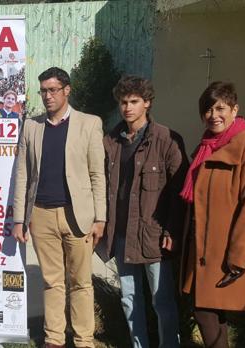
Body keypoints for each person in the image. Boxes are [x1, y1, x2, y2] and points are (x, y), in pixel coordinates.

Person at [13, 67, 106, 348]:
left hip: (76, 215)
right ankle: (54, 338)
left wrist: (100, 217)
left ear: (67, 90)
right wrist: (20, 218)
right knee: (52, 282)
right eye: (43, 91)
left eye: (53, 90)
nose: (47, 96)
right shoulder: (31, 125)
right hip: (40, 215)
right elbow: (22, 174)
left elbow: (97, 174)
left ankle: (83, 340)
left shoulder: (89, 123)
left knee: (81, 282)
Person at [100, 76, 187, 348]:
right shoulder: (110, 141)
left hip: (153, 234)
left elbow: (180, 191)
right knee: (129, 298)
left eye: (134, 102)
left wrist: (171, 228)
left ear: (147, 103)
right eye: (123, 102)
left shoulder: (167, 139)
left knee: (161, 300)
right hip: (122, 231)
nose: (128, 108)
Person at [180, 81, 245, 348]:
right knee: (206, 312)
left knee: (208, 312)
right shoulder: (205, 146)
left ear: (235, 109)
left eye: (221, 108)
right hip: (201, 245)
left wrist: (239, 254)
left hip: (225, 247)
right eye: (207, 109)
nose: (213, 115)